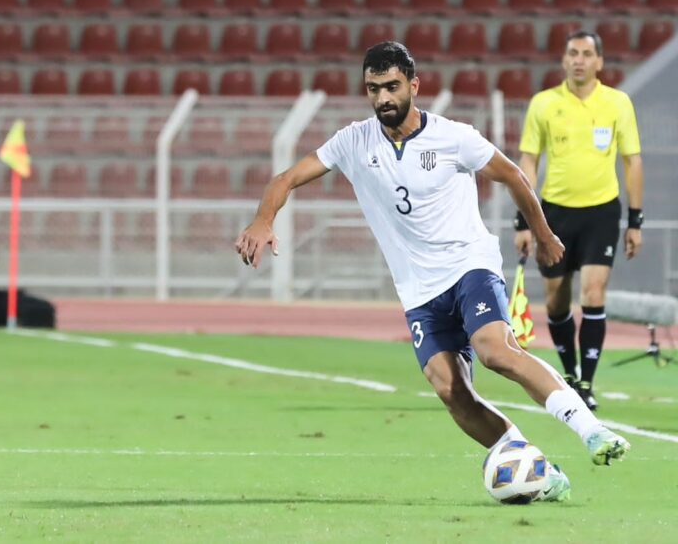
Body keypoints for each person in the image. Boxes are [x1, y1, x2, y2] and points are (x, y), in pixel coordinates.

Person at [235, 42, 631, 501]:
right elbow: (285, 178)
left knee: (496, 351)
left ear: (414, 85)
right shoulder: (352, 141)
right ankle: (534, 467)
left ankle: (591, 430)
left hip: (469, 265)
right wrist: (263, 219)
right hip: (418, 289)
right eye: (373, 88)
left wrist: (543, 234)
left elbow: (513, 176)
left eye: (392, 86)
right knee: (450, 390)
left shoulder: (453, 137)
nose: (383, 97)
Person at [514, 30, 643, 411]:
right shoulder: (543, 104)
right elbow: (528, 161)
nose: (579, 60)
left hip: (601, 212)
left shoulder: (617, 103)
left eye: (587, 54)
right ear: (564, 59)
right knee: (556, 299)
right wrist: (524, 221)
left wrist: (635, 220)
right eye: (573, 53)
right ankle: (569, 374)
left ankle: (586, 382)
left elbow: (632, 161)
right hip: (554, 213)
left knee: (593, 293)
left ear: (599, 61)